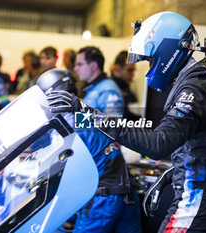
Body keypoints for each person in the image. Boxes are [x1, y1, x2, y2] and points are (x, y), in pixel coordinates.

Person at [46, 12, 206, 232]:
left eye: (151, 60)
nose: (149, 68)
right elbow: (204, 145)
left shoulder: (193, 90)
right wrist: (173, 174)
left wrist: (85, 111)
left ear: (168, 50)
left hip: (199, 200)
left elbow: (157, 144)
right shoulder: (203, 82)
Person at [37, 69, 142, 233]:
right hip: (127, 194)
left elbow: (57, 172)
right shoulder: (87, 114)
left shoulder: (63, 126)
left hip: (102, 201)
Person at [74, 46, 123, 115]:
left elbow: (113, 123)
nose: (76, 69)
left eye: (79, 64)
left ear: (94, 66)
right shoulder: (94, 87)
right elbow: (83, 124)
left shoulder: (107, 90)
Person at [111, 50, 140, 121]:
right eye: (130, 70)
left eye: (133, 70)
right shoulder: (110, 89)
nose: (133, 74)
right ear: (117, 69)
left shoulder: (125, 86)